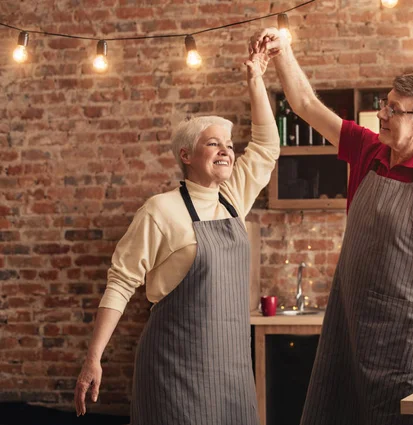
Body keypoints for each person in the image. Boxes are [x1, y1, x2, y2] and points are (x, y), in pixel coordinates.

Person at [251, 29, 413, 425]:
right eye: (385, 104)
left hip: (405, 348)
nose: (382, 114)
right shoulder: (369, 149)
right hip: (350, 332)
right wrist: (283, 52)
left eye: (395, 109)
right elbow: (306, 105)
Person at [74, 45, 279, 425]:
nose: (226, 151)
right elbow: (121, 283)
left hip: (232, 371)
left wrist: (255, 80)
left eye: (229, 146)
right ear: (186, 154)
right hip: (174, 368)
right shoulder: (160, 209)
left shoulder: (233, 200)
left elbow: (267, 147)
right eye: (213, 143)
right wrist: (93, 358)